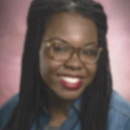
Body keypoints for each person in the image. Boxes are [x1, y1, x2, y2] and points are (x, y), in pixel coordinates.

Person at [0, 0, 130, 130]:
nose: (74, 64)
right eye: (59, 48)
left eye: (88, 51)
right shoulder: (9, 113)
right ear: (35, 48)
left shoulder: (123, 120)